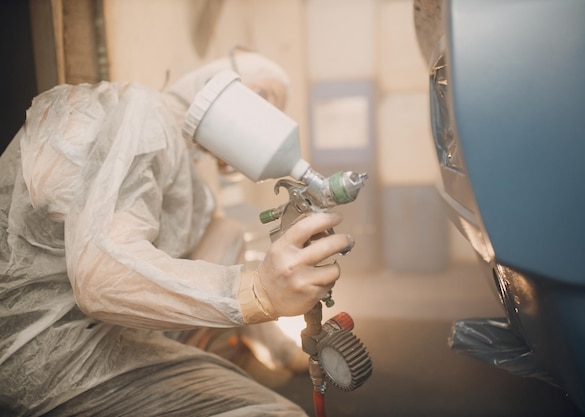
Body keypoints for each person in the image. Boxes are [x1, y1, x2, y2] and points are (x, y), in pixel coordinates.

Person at [0, 51, 353, 416]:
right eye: (266, 102)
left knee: (226, 229)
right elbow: (99, 278)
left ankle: (257, 353)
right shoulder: (143, 116)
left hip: (104, 335)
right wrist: (258, 291)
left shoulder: (190, 182)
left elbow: (211, 242)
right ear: (243, 94)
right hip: (53, 355)